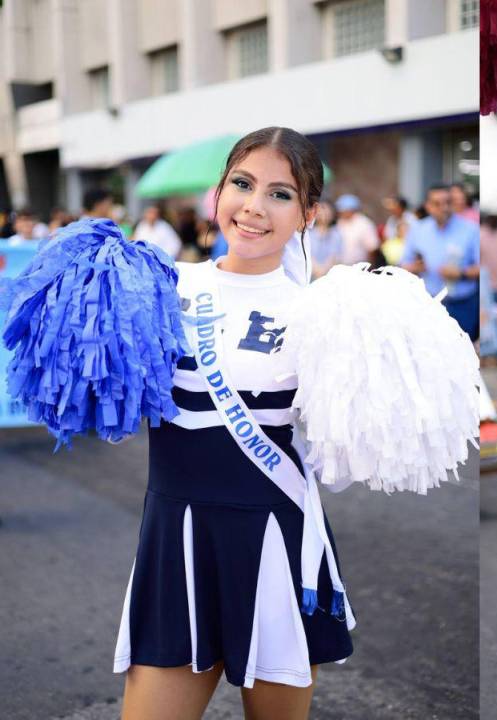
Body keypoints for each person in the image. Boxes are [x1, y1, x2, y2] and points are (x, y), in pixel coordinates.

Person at [113, 127, 353, 720]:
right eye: (242, 184)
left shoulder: (325, 312)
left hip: (275, 538)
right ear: (217, 192)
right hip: (176, 536)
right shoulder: (161, 285)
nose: (254, 206)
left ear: (308, 214)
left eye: (280, 193)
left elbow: (341, 456)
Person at [401, 184, 481, 340]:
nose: (444, 208)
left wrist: (461, 273)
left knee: (461, 355)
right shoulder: (418, 229)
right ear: (428, 206)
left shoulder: (471, 230)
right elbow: (403, 264)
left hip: (461, 304)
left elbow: (483, 268)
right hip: (426, 304)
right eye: (437, 203)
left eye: (448, 202)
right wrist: (414, 267)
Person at [334, 194, 379, 265]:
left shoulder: (364, 223)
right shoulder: (338, 223)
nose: (341, 212)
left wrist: (370, 267)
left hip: (359, 267)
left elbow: (372, 248)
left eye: (343, 210)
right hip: (341, 266)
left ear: (351, 210)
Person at [309, 200, 342, 279]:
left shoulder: (336, 234)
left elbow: (334, 257)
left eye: (328, 211)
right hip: (309, 274)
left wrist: (322, 272)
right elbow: (308, 255)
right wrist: (317, 270)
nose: (324, 214)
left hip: (328, 276)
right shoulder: (308, 232)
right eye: (322, 210)